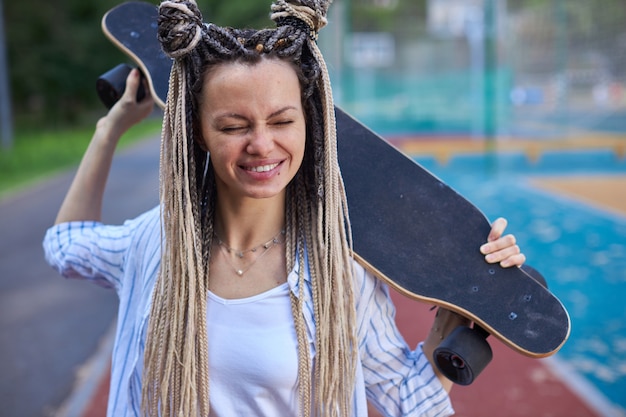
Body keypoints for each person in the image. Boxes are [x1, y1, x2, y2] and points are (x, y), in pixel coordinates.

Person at [43, 0, 526, 416]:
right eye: (233, 126)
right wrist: (109, 130)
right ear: (198, 132)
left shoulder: (340, 272)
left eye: (281, 121)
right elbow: (64, 245)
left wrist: (461, 303)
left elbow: (411, 400)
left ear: (310, 125)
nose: (262, 144)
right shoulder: (152, 242)